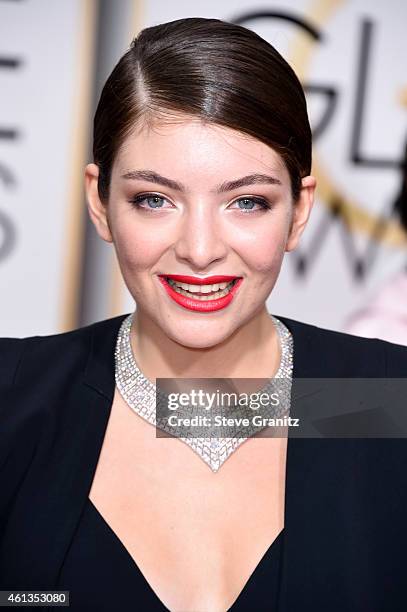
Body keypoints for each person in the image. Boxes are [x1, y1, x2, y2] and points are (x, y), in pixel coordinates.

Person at [1, 17, 407, 612]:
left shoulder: (383, 400)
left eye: (247, 201)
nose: (199, 248)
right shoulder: (14, 398)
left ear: (297, 211)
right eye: (154, 199)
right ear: (101, 202)